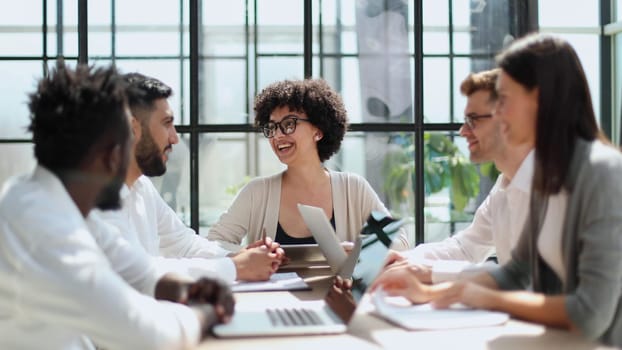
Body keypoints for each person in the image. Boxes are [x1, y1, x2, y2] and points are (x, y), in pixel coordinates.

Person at [370, 33, 622, 347]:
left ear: (540, 98)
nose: (497, 113)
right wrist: (431, 293)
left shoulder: (603, 173)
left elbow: (590, 313)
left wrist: (487, 298)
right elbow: (517, 272)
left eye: (504, 100)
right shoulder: (549, 173)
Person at [0, 63, 233, 350]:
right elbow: (150, 337)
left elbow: (141, 274)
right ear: (112, 155)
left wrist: (191, 289)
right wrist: (207, 313)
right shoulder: (42, 227)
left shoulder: (52, 201)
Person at [94, 72, 283, 283]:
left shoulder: (142, 188)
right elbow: (138, 270)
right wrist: (236, 267)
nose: (174, 139)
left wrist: (239, 257)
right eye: (166, 123)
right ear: (132, 128)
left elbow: (184, 244)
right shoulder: (95, 199)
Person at [207, 78, 410, 252]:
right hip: (272, 298)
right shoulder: (257, 192)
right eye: (271, 127)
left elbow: (400, 241)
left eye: (289, 124)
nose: (277, 135)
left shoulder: (353, 188)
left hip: (339, 296)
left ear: (318, 131)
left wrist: (359, 249)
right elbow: (214, 244)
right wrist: (248, 254)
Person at [387, 69, 534, 283]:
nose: (463, 131)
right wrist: (404, 259)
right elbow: (465, 248)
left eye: (473, 120)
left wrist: (430, 273)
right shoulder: (503, 187)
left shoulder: (555, 188)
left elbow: (529, 279)